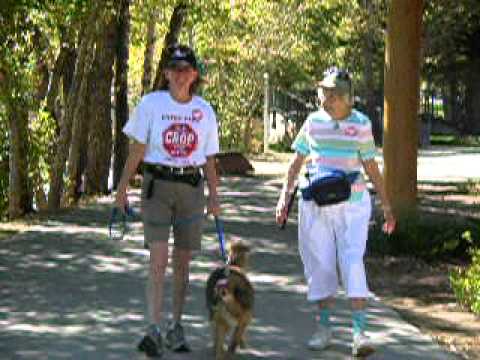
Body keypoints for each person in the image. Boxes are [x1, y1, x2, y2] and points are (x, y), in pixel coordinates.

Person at [276, 68, 396, 357]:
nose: (325, 100)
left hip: (352, 205)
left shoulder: (361, 124)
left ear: (347, 98)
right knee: (321, 266)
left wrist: (387, 206)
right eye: (323, 94)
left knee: (352, 261)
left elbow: (370, 167)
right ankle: (324, 328)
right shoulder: (313, 122)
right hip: (315, 205)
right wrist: (284, 197)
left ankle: (359, 333)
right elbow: (296, 163)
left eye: (332, 95)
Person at [115, 44, 220, 358]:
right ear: (166, 73)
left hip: (190, 188)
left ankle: (176, 325)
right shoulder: (151, 104)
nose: (179, 75)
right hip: (157, 186)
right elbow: (136, 149)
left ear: (194, 75)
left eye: (185, 69)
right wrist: (121, 188)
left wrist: (215, 196)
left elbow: (210, 159)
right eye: (174, 69)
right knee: (158, 259)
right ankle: (153, 328)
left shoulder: (205, 111)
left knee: (183, 263)